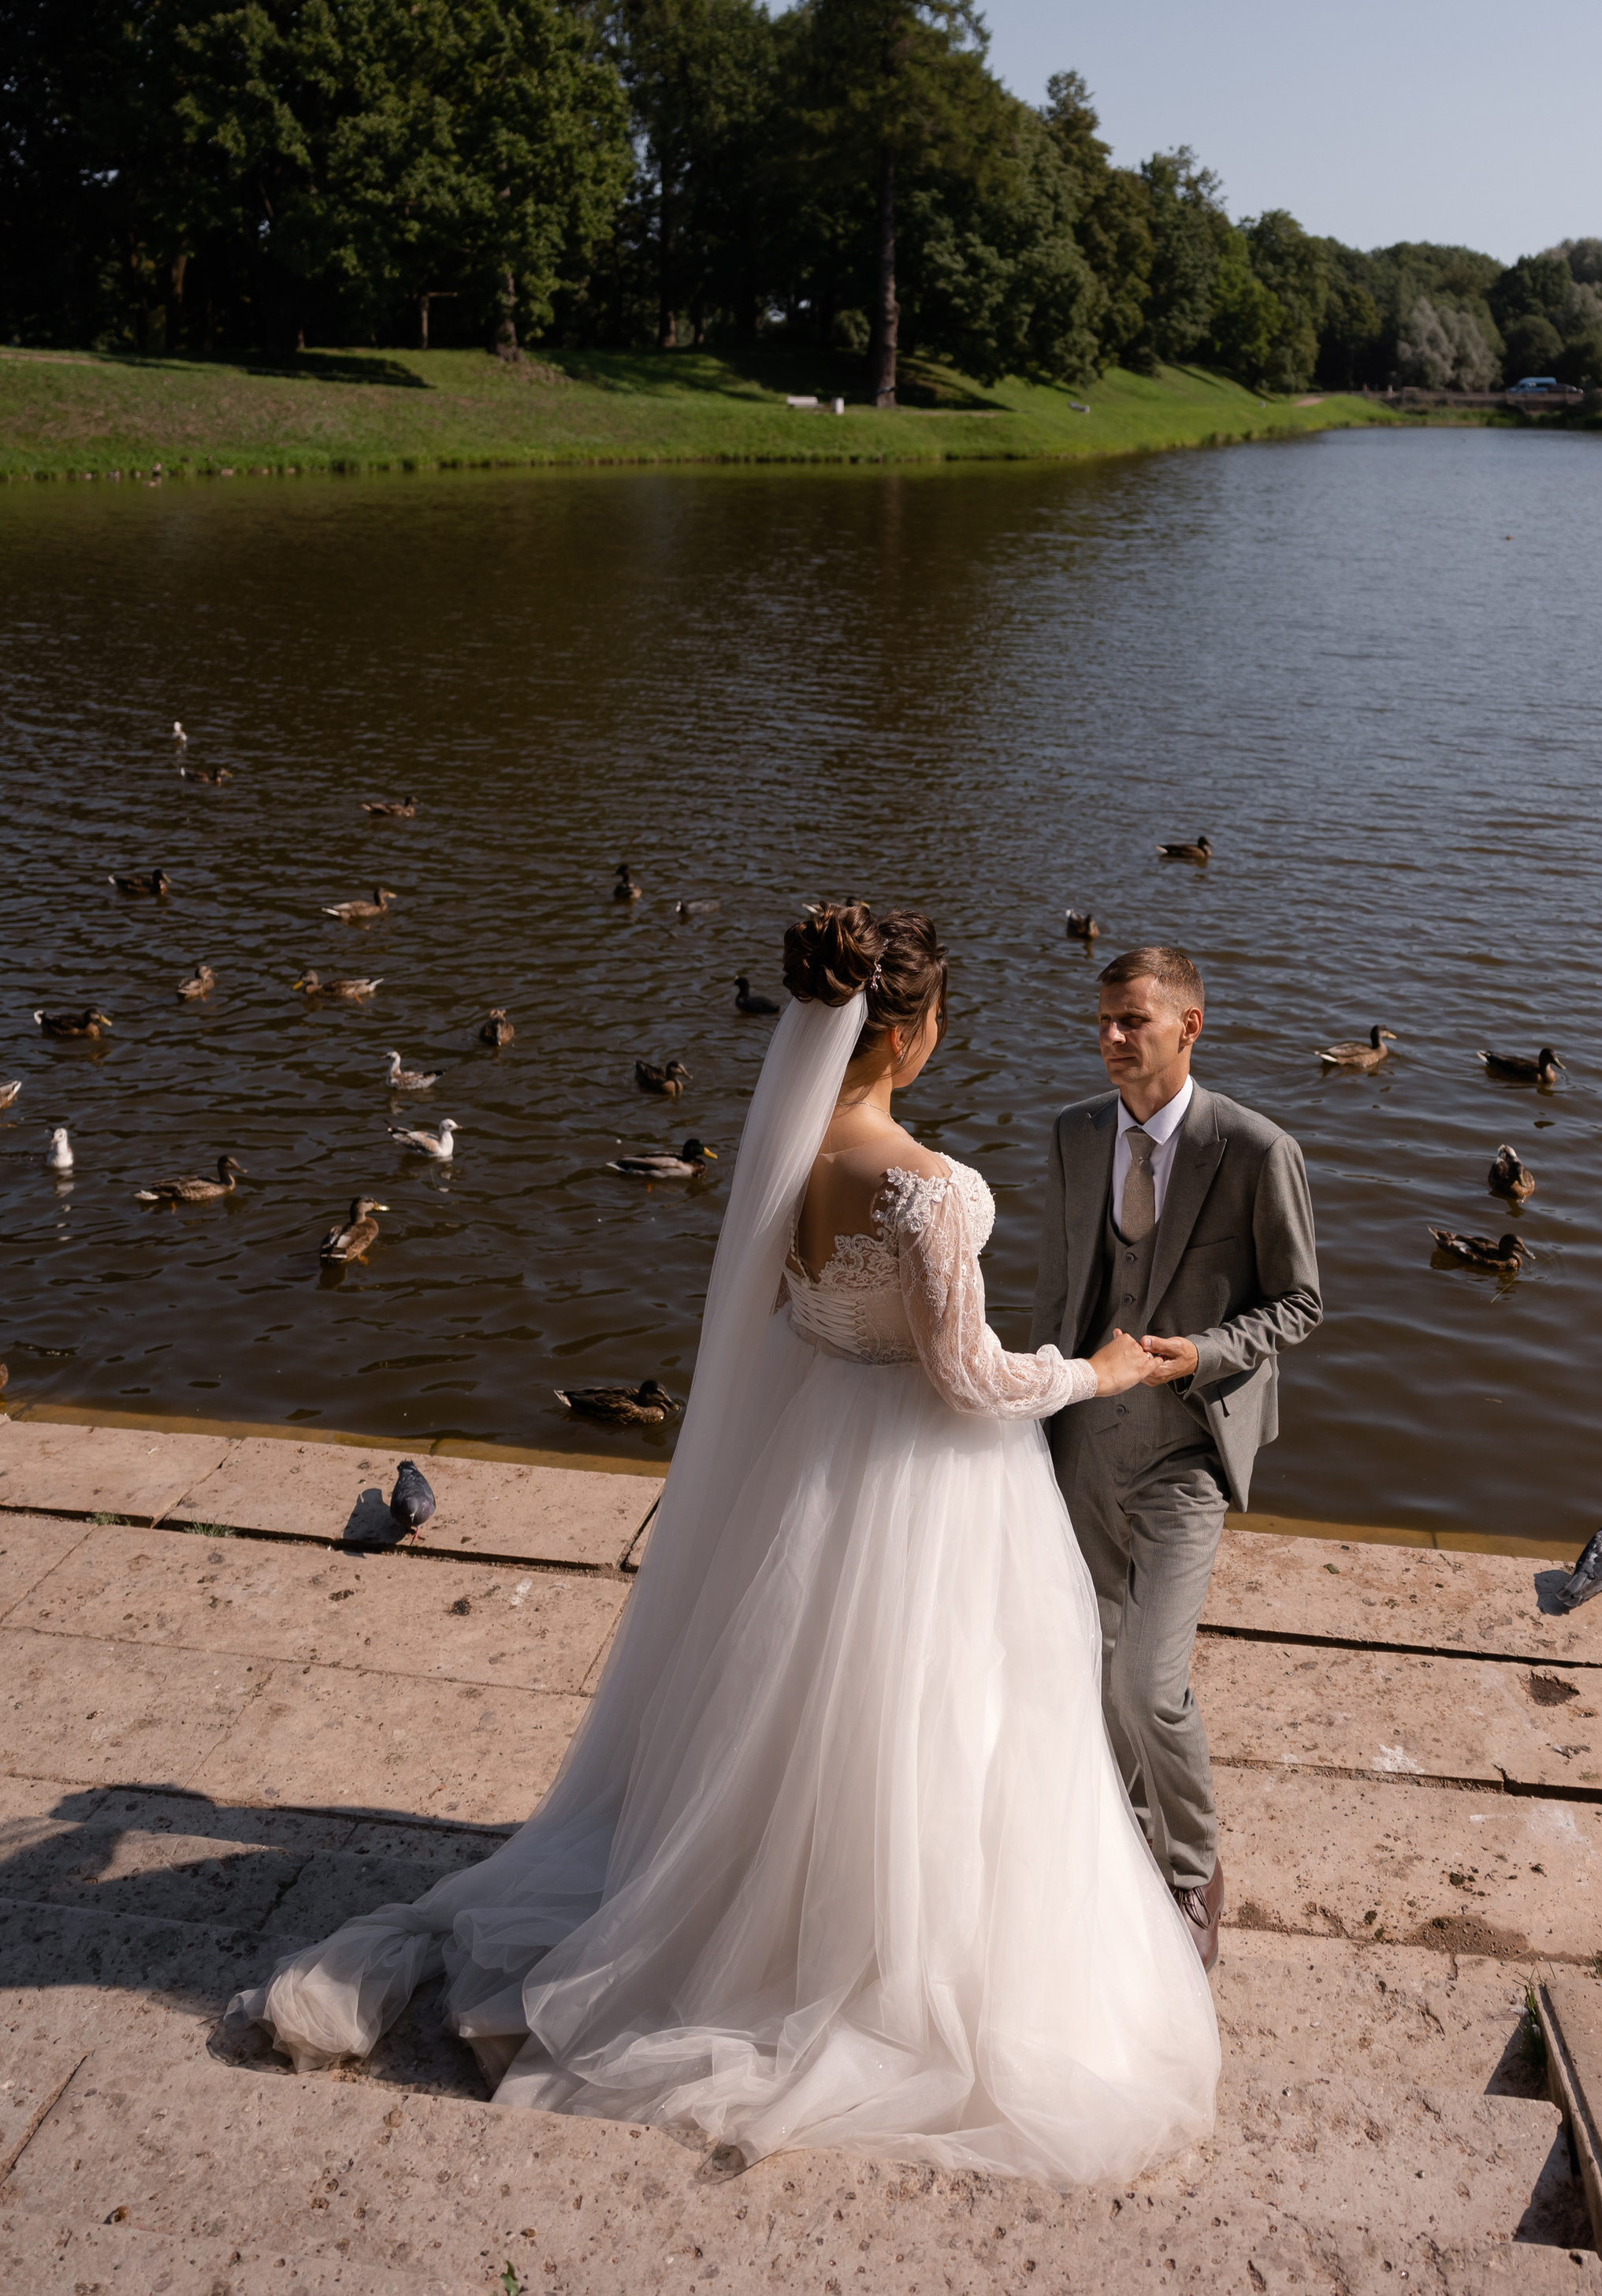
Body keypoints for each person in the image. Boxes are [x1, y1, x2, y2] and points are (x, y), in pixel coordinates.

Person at [229, 902, 1219, 2185]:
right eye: (940, 1013)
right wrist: (1094, 1372)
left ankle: (771, 1914)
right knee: (934, 1716)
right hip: (922, 1483)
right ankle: (877, 1957)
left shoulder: (792, 1147)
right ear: (910, 1031)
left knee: (799, 1705)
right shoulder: (920, 1186)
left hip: (812, 1463)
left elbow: (796, 1322)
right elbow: (969, 1377)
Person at [1038, 945, 1322, 1970]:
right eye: (1105, 1019)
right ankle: (1113, 1845)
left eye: (1134, 1022)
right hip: (1081, 1441)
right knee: (1089, 1660)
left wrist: (1203, 1352)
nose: (1112, 1039)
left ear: (1189, 1027)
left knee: (1149, 1684)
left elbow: (1300, 1303)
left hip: (1190, 1448)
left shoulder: (1254, 1150)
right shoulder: (1073, 1135)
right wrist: (1035, 1410)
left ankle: (1193, 1869)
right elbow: (1060, 1288)